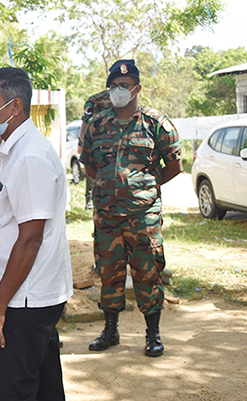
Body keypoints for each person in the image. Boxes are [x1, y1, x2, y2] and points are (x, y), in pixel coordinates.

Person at [0, 67, 72, 401]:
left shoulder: (30, 156)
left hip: (23, 299)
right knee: (44, 391)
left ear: (14, 106)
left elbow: (30, 240)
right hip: (32, 294)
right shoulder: (16, 149)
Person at [80, 59, 182, 357]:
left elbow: (174, 165)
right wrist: (109, 188)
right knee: (109, 272)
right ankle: (110, 331)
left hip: (143, 217)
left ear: (136, 88)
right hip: (107, 216)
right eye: (113, 86)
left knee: (147, 272)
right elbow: (89, 164)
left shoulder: (155, 123)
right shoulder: (97, 123)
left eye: (123, 86)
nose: (117, 91)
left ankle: (153, 334)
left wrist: (146, 188)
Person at [78, 90, 111, 210]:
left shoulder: (129, 95)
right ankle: (89, 201)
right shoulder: (95, 100)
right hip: (100, 149)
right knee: (93, 177)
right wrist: (91, 146)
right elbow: (84, 130)